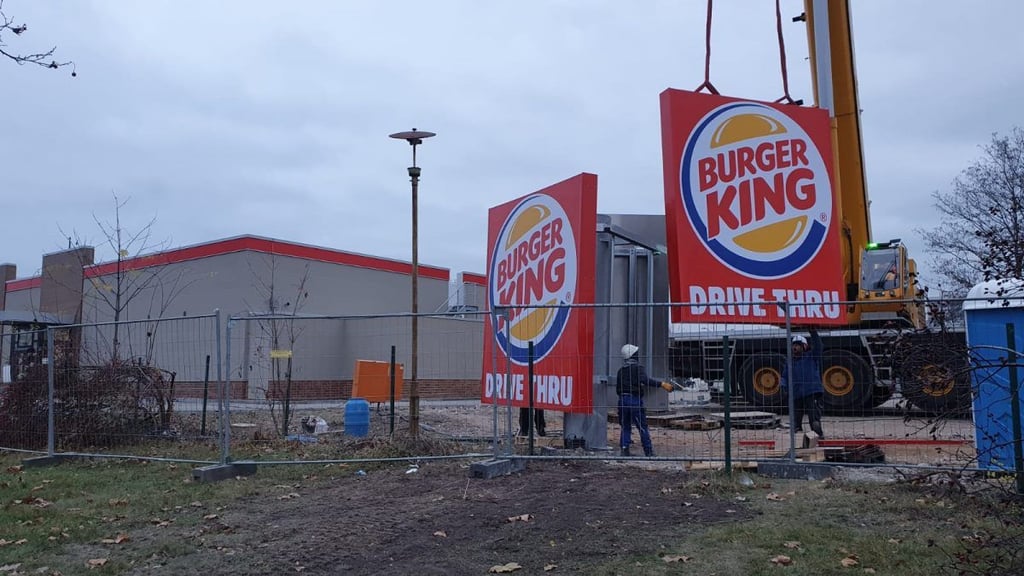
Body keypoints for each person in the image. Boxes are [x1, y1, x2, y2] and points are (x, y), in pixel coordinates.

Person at [616, 343, 673, 457]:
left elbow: (618, 389)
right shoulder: (638, 368)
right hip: (634, 400)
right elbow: (646, 380)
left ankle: (624, 449)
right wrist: (661, 384)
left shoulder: (620, 371)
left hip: (622, 400)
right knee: (642, 426)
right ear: (633, 355)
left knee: (625, 425)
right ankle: (648, 451)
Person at [781, 329, 825, 438]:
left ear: (804, 347)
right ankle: (796, 443)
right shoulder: (790, 362)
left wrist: (813, 332)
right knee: (795, 422)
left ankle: (819, 438)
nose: (795, 348)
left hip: (811, 392)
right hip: (797, 394)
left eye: (798, 345)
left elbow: (819, 346)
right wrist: (783, 385)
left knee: (814, 420)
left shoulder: (811, 357)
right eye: (794, 345)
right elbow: (785, 376)